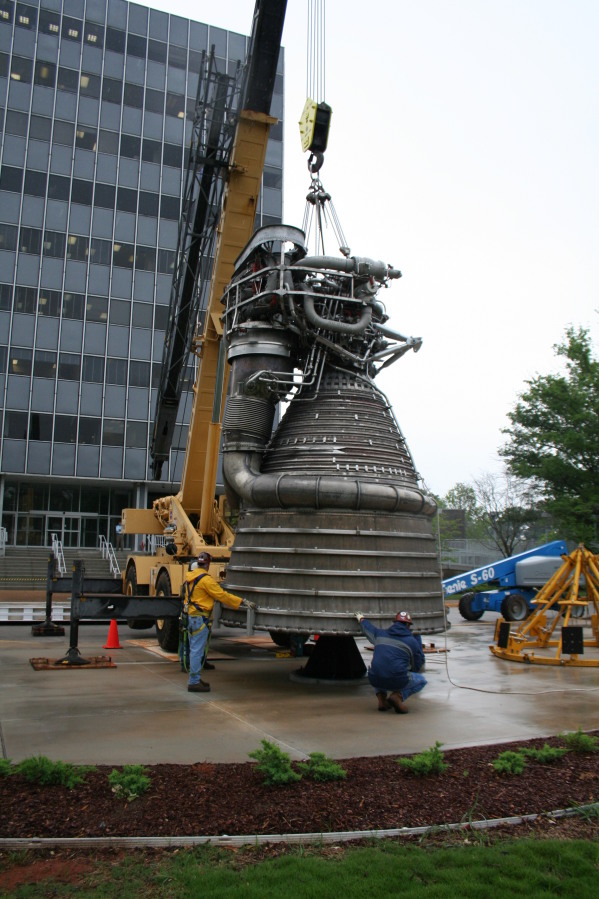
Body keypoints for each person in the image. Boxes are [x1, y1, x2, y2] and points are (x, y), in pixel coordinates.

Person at [183, 551, 255, 693]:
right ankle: (194, 682)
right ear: (208, 564)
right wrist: (241, 601)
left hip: (192, 617)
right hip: (200, 618)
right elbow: (221, 595)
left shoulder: (189, 578)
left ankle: (195, 678)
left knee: (194, 650)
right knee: (197, 651)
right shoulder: (206, 580)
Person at [356, 610, 427, 714]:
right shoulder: (412, 641)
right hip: (397, 679)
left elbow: (368, 629)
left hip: (374, 679)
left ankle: (382, 700)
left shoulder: (380, 634)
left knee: (379, 668)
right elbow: (417, 664)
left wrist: (361, 619)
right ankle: (398, 696)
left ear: (394, 623)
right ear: (408, 625)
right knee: (421, 680)